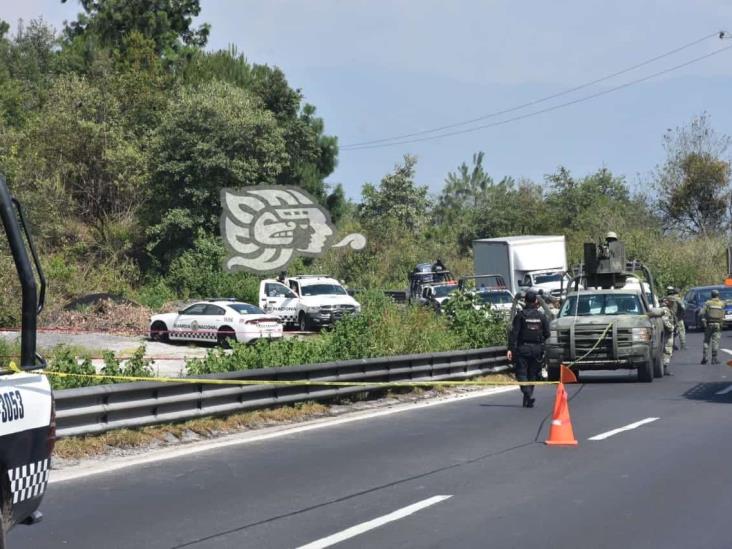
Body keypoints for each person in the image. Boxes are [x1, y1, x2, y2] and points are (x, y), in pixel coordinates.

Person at [507, 290, 550, 408]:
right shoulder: (541, 316)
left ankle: (527, 393)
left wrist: (510, 349)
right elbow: (547, 334)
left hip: (523, 349)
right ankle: (528, 396)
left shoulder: (520, 316)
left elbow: (514, 334)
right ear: (536, 301)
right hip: (537, 350)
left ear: (525, 301)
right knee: (532, 374)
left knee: (521, 373)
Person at [701, 289, 725, 365]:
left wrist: (704, 317)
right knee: (715, 342)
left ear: (711, 295)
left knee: (706, 341)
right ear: (718, 295)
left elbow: (701, 312)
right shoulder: (721, 303)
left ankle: (705, 358)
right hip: (718, 325)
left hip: (709, 324)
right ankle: (714, 359)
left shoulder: (708, 303)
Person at [661, 297, 676, 375]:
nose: (673, 304)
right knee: (667, 349)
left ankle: (664, 366)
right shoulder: (665, 309)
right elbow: (665, 320)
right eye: (671, 302)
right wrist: (671, 328)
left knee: (668, 349)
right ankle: (664, 367)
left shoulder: (668, 309)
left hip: (668, 332)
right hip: (667, 332)